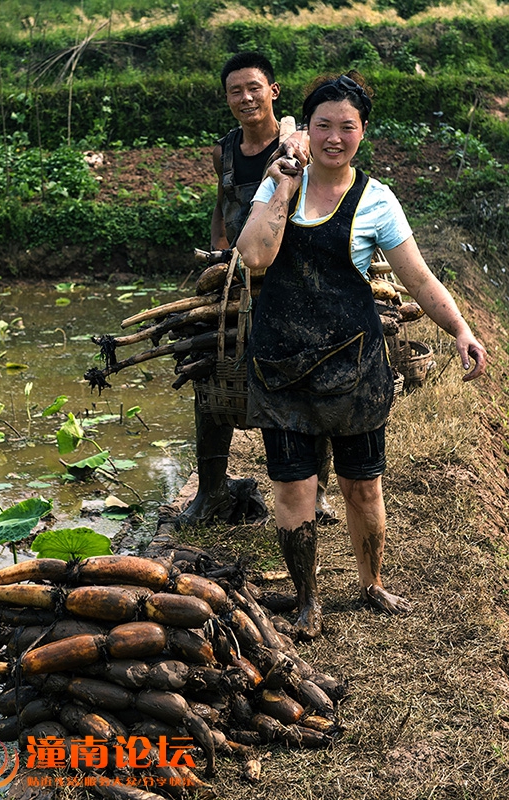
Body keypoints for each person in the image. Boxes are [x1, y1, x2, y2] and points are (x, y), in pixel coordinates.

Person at [237, 71, 487, 640]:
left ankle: (370, 583)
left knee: (362, 485)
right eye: (321, 125)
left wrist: (461, 329)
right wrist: (281, 182)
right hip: (279, 368)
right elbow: (253, 257)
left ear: (362, 132)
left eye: (346, 126)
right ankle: (307, 601)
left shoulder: (376, 199)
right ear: (305, 131)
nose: (333, 137)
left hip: (354, 370)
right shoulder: (278, 183)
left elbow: (419, 279)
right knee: (293, 487)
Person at [175, 52, 335, 527]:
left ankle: (319, 493)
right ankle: (211, 490)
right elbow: (223, 207)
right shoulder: (223, 151)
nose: (245, 98)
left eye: (254, 88)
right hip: (236, 273)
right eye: (235, 91)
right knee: (209, 372)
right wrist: (217, 259)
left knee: (311, 378)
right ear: (226, 97)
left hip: (290, 272)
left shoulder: (296, 144)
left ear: (273, 91)